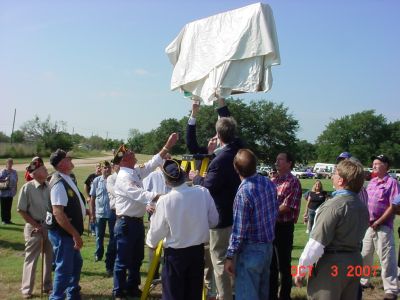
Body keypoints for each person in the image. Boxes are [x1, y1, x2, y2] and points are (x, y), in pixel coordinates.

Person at [112, 133, 178, 299]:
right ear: (123, 160)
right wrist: (161, 196)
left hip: (136, 222)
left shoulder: (133, 171)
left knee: (136, 258)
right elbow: (139, 194)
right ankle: (118, 291)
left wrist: (167, 146)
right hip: (126, 223)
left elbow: (153, 163)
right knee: (123, 260)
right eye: (129, 153)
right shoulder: (124, 177)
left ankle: (132, 287)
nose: (133, 153)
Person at [294, 159, 369, 299]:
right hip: (354, 260)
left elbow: (316, 244)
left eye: (334, 173)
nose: (332, 176)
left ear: (341, 180)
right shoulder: (362, 206)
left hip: (333, 264)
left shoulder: (333, 206)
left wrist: (301, 270)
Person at [146, 159, 219, 300]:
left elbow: (156, 232)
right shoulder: (203, 192)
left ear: (166, 182)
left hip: (175, 256)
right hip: (197, 253)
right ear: (185, 176)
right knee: (193, 294)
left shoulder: (165, 201)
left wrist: (151, 243)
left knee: (173, 296)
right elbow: (214, 221)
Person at [191, 116, 241, 300]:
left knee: (219, 260)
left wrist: (195, 176)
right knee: (231, 258)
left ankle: (225, 296)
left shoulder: (220, 161)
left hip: (220, 218)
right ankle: (232, 292)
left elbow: (208, 186)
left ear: (219, 135)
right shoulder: (236, 151)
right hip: (233, 216)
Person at [224, 149, 278, 300]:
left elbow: (238, 230)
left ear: (236, 168)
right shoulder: (268, 182)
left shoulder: (244, 192)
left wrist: (230, 256)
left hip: (251, 250)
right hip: (267, 247)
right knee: (262, 294)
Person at [46, 149, 86, 300]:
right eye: (68, 159)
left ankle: (73, 293)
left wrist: (84, 211)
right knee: (64, 268)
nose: (71, 160)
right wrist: (75, 235)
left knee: (76, 264)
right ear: (62, 164)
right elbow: (58, 213)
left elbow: (69, 203)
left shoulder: (66, 178)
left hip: (68, 234)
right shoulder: (59, 183)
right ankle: (57, 297)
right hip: (64, 235)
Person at [360, 154, 399, 300]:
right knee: (365, 255)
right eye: (373, 163)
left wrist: (379, 221)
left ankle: (391, 289)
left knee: (387, 258)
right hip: (368, 225)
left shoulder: (392, 182)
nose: (374, 165)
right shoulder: (372, 182)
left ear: (386, 166)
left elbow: (393, 205)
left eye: (377, 163)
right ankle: (363, 282)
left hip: (383, 225)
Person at [17, 157, 53, 299]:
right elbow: (21, 210)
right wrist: (36, 225)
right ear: (37, 173)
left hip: (48, 226)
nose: (46, 170)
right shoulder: (28, 187)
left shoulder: (49, 186)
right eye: (43, 169)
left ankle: (47, 286)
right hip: (33, 228)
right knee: (31, 259)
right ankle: (27, 290)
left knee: (49, 257)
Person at [269, 152, 302, 300]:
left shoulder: (293, 182)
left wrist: (268, 213)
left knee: (283, 265)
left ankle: (284, 296)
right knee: (271, 265)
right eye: (277, 159)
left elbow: (287, 206)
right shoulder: (273, 180)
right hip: (271, 227)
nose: (277, 162)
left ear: (289, 163)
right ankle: (271, 295)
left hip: (284, 227)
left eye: (280, 159)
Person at [90, 160, 115, 272]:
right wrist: (92, 214)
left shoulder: (114, 180)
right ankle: (98, 254)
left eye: (108, 167)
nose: (107, 169)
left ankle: (111, 256)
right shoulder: (96, 181)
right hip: (100, 213)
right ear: (101, 169)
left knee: (113, 236)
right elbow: (92, 198)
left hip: (112, 213)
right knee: (99, 236)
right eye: (105, 167)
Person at [84, 163, 101, 235]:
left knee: (99, 214)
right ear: (95, 168)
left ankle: (98, 228)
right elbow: (86, 186)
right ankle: (93, 229)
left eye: (100, 167)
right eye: (98, 167)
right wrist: (87, 196)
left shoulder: (103, 177)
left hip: (100, 199)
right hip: (91, 199)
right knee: (92, 213)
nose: (99, 168)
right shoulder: (91, 176)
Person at [0, 158, 18, 225]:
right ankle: (4, 220)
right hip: (3, 192)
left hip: (11, 192)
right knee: (4, 207)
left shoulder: (14, 172)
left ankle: (8, 220)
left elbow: (16, 181)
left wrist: (15, 189)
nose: (10, 164)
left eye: (11, 163)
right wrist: (5, 179)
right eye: (9, 163)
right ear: (6, 164)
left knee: (9, 206)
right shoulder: (3, 171)